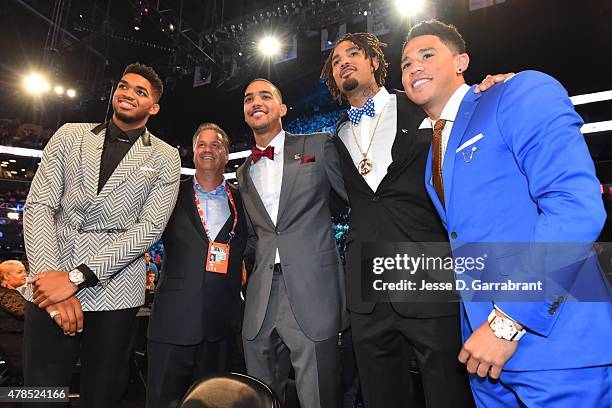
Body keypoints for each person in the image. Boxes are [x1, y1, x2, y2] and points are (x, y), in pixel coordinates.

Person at [401, 19, 612, 407]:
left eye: (427, 55)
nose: (413, 66)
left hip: (555, 348)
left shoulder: (517, 92)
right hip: (485, 360)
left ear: (462, 61)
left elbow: (575, 206)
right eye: (405, 62)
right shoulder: (433, 147)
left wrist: (506, 324)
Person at [321, 32, 479, 408]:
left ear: (374, 61)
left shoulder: (419, 104)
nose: (343, 61)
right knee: (380, 394)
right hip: (367, 284)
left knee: (447, 391)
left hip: (426, 269)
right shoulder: (336, 135)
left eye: (353, 53)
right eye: (336, 58)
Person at [22, 63, 181, 408]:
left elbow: (149, 229)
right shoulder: (69, 134)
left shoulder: (166, 156)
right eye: (124, 86)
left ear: (153, 107)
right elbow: (38, 206)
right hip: (50, 282)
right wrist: (53, 279)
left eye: (141, 91)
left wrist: (77, 278)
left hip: (116, 289)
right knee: (38, 392)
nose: (128, 93)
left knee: (103, 394)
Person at [236, 78, 347, 408]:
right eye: (248, 98)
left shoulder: (317, 145)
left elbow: (348, 201)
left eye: (265, 95)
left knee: (318, 397)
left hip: (313, 292)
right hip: (261, 297)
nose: (256, 101)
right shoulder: (242, 172)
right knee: (260, 395)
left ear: (282, 109)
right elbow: (256, 236)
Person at [146, 123, 250, 408]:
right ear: (193, 153)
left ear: (227, 154)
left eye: (216, 144)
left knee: (212, 403)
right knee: (161, 401)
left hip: (220, 325)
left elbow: (253, 244)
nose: (208, 149)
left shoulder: (243, 199)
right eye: (201, 144)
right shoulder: (169, 195)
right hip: (173, 321)